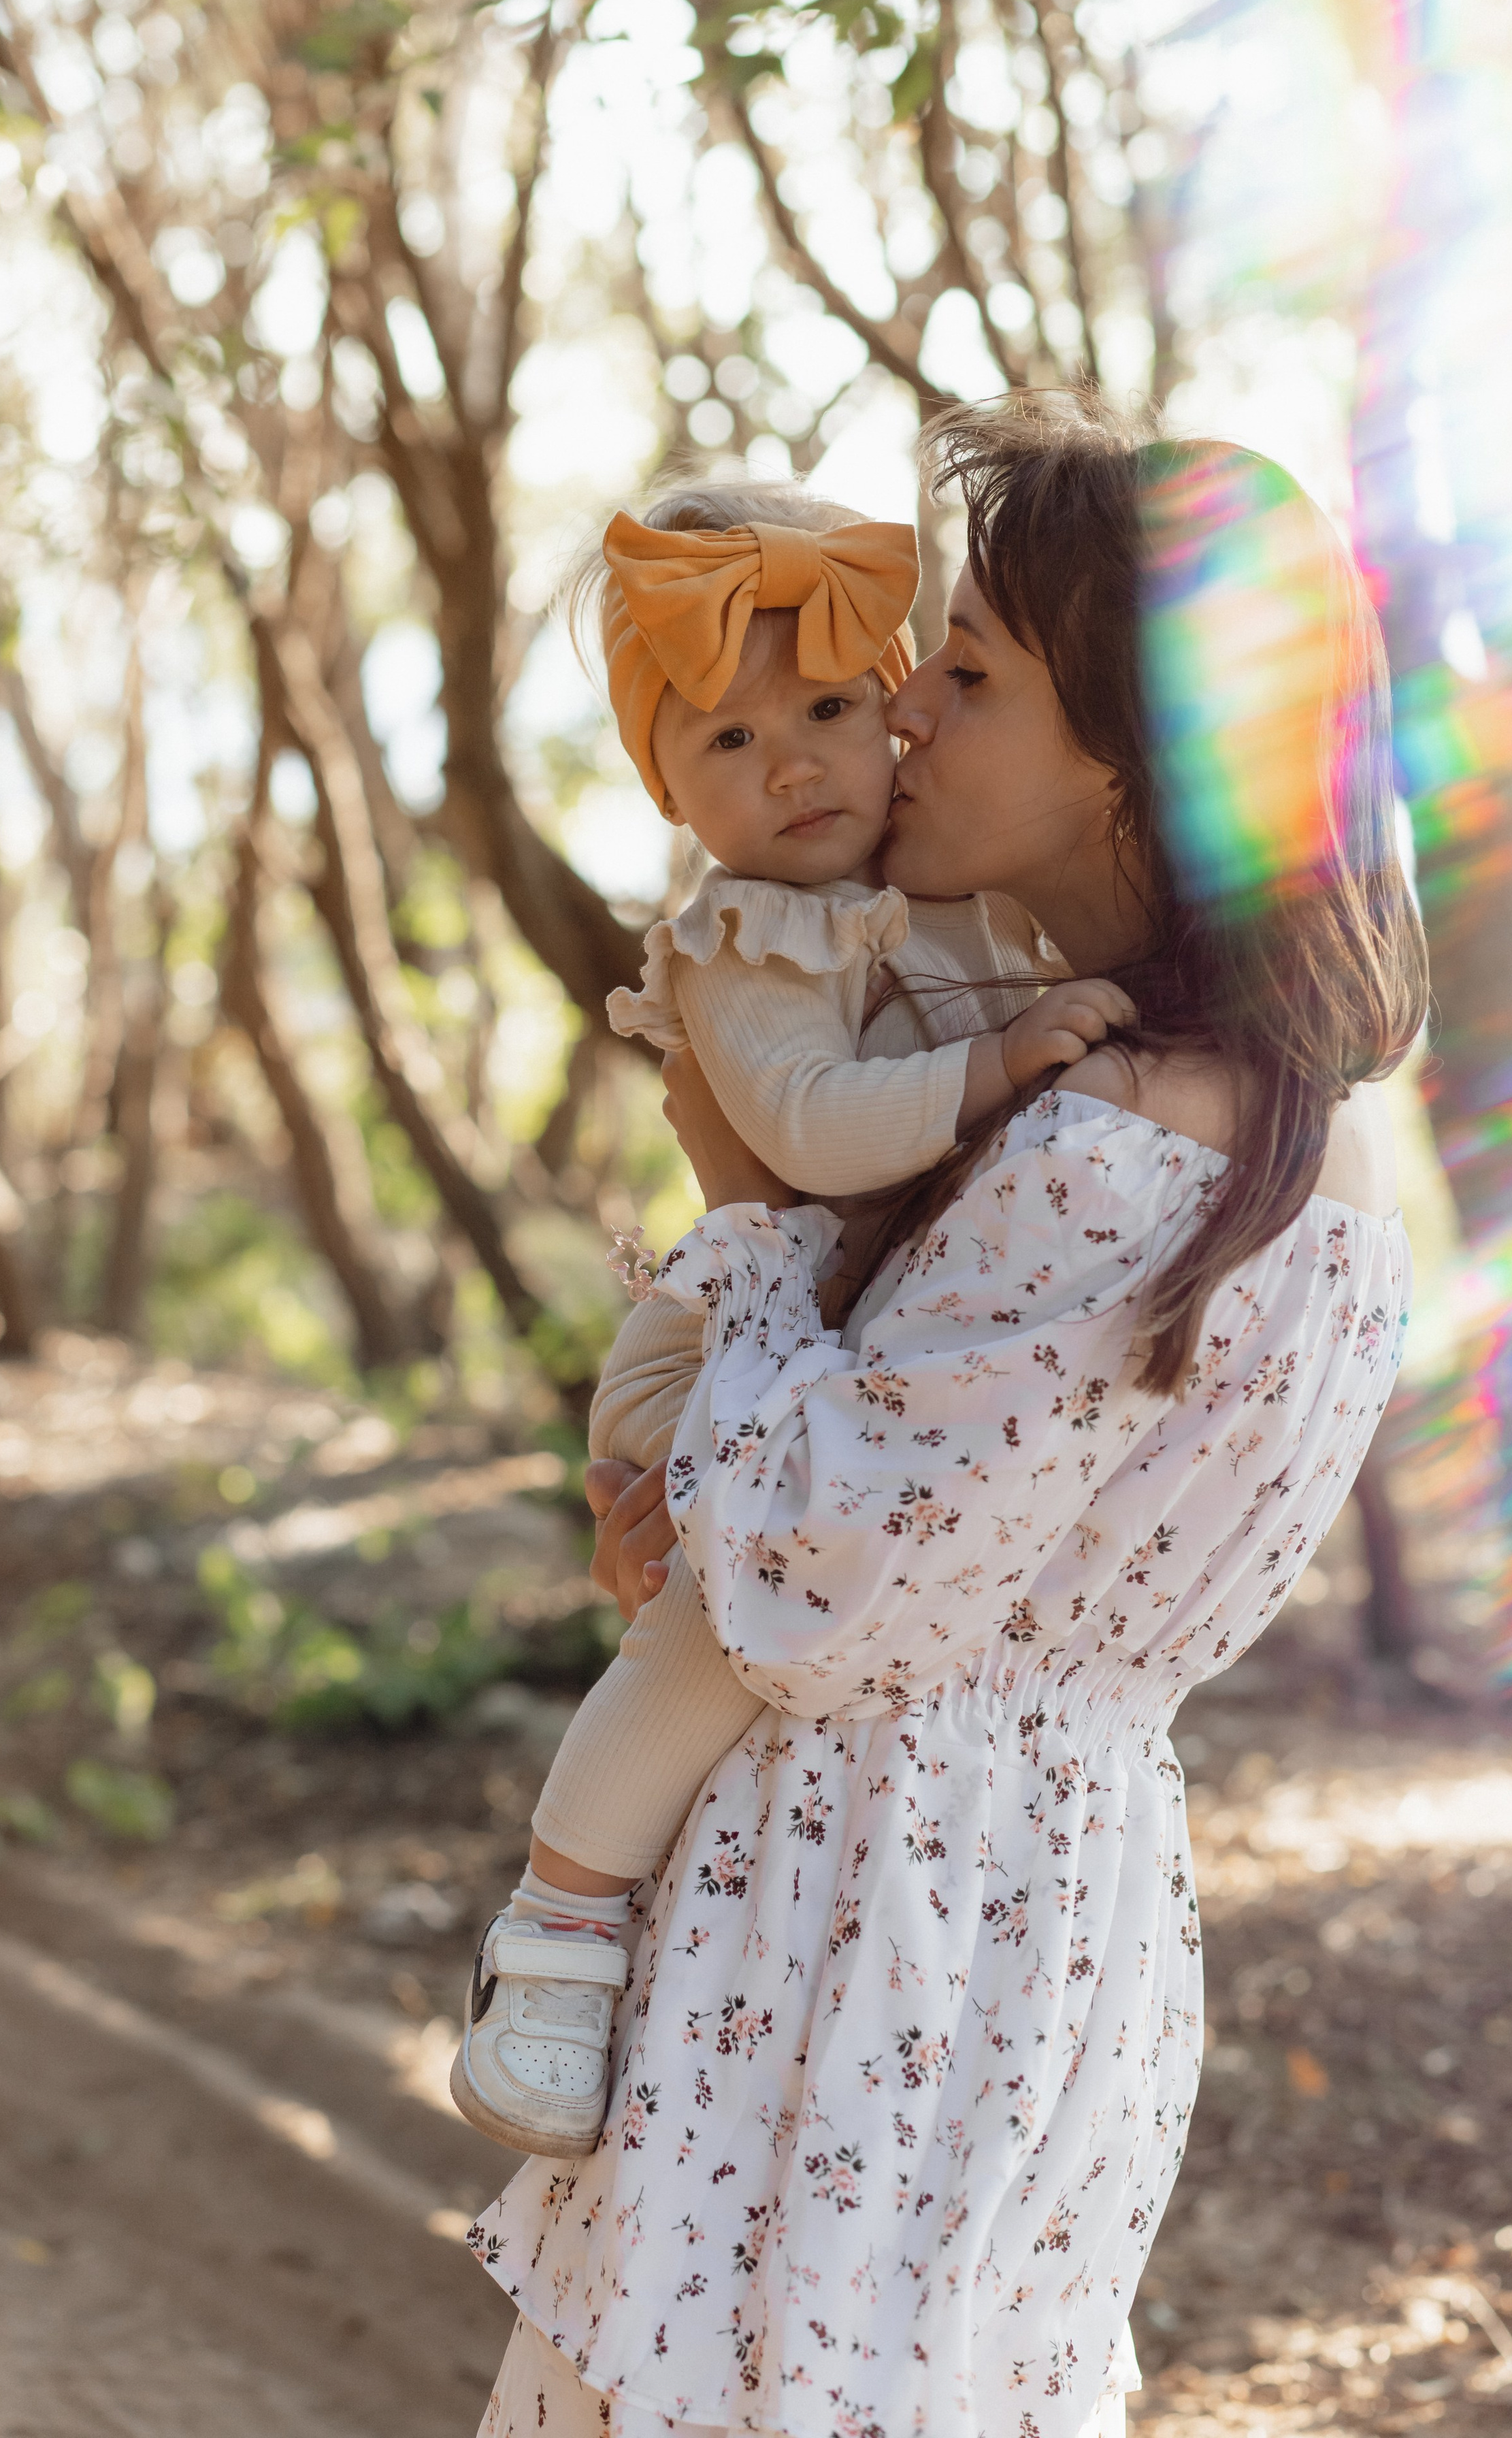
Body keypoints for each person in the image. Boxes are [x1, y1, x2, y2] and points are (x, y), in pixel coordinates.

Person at [467, 393, 1428, 2438]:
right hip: (1043, 1919)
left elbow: (813, 1573)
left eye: (967, 675)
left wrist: (737, 1230)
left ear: (1132, 763)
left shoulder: (1117, 1144)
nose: (899, 721)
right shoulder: (1300, 1151)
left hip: (867, 1916)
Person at [451, 479, 1129, 2162]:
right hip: (717, 1353)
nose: (796, 766)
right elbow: (808, 1132)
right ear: (664, 788)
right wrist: (994, 1063)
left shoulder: (949, 888)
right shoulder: (746, 937)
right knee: (713, 1626)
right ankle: (552, 1932)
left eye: (828, 709)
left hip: (828, 1350)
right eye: (731, 742)